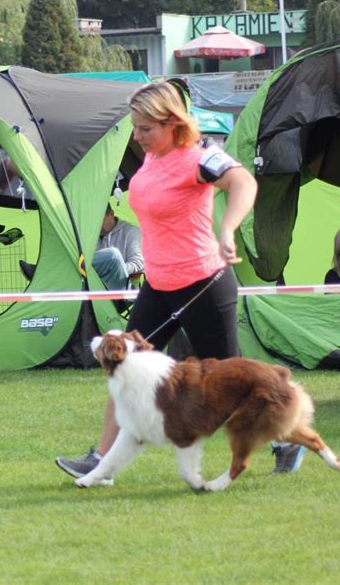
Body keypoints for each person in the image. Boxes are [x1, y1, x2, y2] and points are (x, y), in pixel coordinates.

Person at [55, 82, 303, 481]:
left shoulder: (201, 156)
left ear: (172, 123)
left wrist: (227, 229)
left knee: (231, 382)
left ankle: (286, 439)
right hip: (158, 284)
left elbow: (244, 184)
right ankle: (100, 462)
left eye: (145, 129)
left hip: (204, 284)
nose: (137, 136)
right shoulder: (151, 158)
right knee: (123, 367)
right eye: (135, 127)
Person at [20, 205, 143, 291]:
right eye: (92, 221)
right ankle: (46, 273)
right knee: (71, 251)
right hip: (91, 284)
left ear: (111, 214)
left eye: (100, 219)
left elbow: (139, 263)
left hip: (121, 287)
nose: (96, 224)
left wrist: (116, 267)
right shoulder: (89, 235)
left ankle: (45, 274)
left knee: (113, 256)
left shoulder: (131, 232)